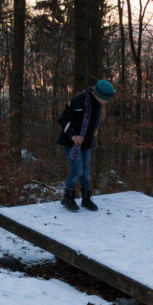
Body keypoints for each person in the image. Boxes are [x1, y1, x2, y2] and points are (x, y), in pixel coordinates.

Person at [56, 80, 115, 212]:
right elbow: (63, 120)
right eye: (105, 99)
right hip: (72, 142)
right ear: (98, 94)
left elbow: (92, 121)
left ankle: (86, 199)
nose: (106, 102)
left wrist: (96, 129)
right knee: (77, 171)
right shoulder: (79, 101)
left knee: (86, 173)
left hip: (86, 142)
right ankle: (68, 197)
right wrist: (73, 135)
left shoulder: (97, 105)